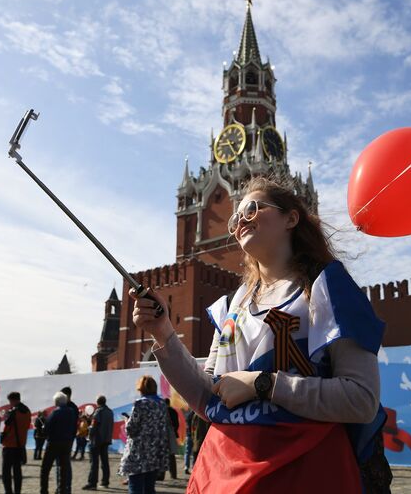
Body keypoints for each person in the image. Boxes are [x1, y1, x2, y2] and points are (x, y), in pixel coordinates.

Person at [130, 177, 388, 492]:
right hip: (222, 473)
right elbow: (207, 396)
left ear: (291, 218)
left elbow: (360, 400)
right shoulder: (232, 306)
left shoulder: (326, 288)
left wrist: (263, 385)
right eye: (236, 218)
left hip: (302, 472)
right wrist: (164, 333)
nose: (241, 222)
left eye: (252, 209)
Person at [118, 376, 169, 494]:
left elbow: (131, 429)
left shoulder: (140, 404)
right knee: (149, 488)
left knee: (135, 487)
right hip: (155, 452)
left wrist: (126, 421)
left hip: (139, 453)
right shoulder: (161, 404)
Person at [41, 392, 77, 494]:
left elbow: (47, 429)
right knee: (63, 469)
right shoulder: (71, 412)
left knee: (45, 469)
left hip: (54, 443)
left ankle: (44, 490)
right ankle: (62, 490)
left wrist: (44, 423)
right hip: (66, 443)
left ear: (56, 402)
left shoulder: (55, 412)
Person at [0, 392, 30, 494]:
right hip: (20, 444)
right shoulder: (27, 411)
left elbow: (7, 425)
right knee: (17, 471)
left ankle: (8, 492)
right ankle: (18, 491)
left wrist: (7, 415)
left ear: (13, 400)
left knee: (6, 472)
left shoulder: (13, 411)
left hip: (10, 445)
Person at [83, 396, 113, 490]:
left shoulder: (98, 411)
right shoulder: (110, 412)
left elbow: (94, 426)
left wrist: (88, 431)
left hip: (96, 440)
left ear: (97, 402)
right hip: (106, 439)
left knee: (94, 462)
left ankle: (92, 483)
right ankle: (105, 482)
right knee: (105, 462)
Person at [163, 398, 179, 480]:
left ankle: (161, 476)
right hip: (172, 435)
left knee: (162, 455)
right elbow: (177, 424)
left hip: (163, 435)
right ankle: (173, 475)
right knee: (171, 456)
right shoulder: (173, 411)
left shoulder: (162, 411)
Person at [183, 410, 194, 475]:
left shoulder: (188, 415)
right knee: (194, 453)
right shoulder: (197, 415)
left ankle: (186, 467)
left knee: (187, 452)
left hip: (188, 435)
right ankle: (193, 467)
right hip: (194, 436)